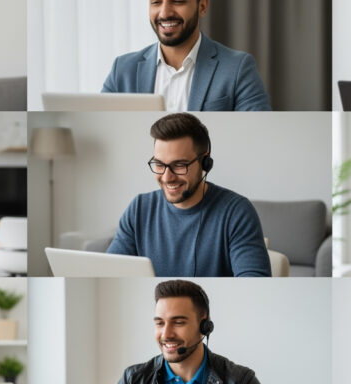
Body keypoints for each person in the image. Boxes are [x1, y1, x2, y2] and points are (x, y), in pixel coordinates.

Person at [106, 113, 271, 277]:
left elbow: (255, 278)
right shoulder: (139, 209)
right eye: (159, 164)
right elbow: (110, 272)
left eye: (179, 165)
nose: (166, 177)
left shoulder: (237, 212)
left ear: (205, 162)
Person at [101, 0, 271, 111]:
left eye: (178, 1)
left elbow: (257, 137)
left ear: (202, 6)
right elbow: (102, 132)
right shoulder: (122, 70)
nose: (164, 13)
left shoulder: (238, 68)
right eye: (156, 2)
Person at [119, 279, 260, 384]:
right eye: (160, 323)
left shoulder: (241, 380)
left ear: (205, 326)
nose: (166, 334)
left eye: (178, 323)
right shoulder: (133, 379)